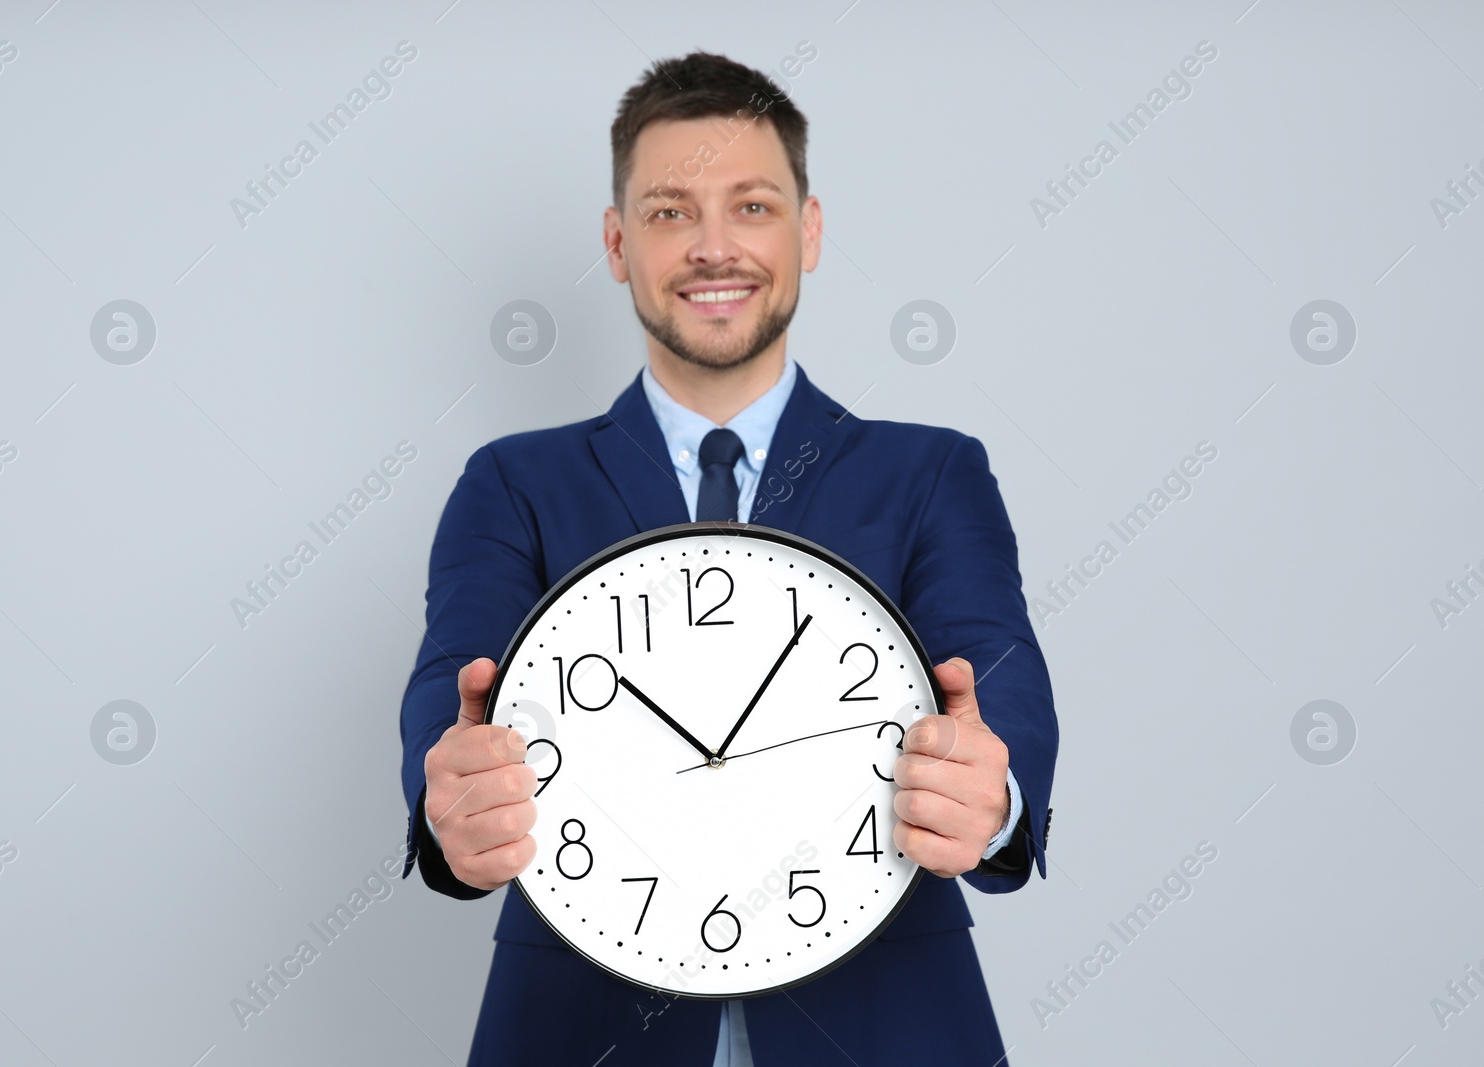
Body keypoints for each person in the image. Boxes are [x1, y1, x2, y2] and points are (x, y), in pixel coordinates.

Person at [398, 50, 1058, 1066]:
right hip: (579, 1025)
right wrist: (447, 799)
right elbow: (453, 689)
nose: (713, 248)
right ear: (618, 244)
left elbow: (998, 672)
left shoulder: (929, 470)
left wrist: (993, 787)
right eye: (669, 212)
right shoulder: (513, 482)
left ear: (810, 230)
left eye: (751, 206)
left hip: (887, 1022)